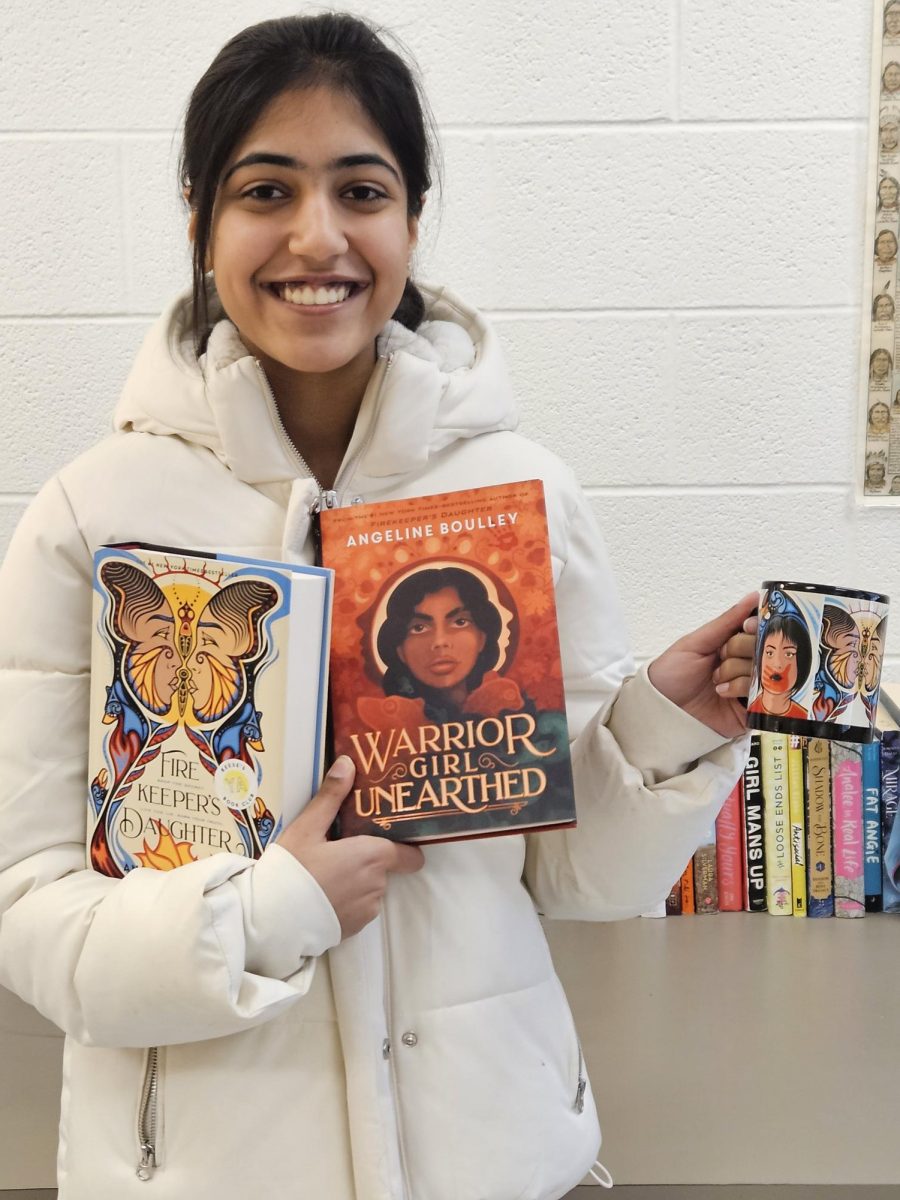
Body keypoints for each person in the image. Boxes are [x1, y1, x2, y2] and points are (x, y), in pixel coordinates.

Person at [0, 15, 755, 1200]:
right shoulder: (93, 521)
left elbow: (585, 883)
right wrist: (269, 911)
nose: (318, 238)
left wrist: (666, 729)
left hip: (489, 1160)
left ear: (412, 216)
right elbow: (33, 917)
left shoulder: (525, 497)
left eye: (362, 188)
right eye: (266, 190)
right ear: (200, 216)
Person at [376, 565, 505, 716]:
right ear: (400, 651)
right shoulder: (392, 723)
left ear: (482, 638)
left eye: (460, 622)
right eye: (419, 628)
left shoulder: (508, 710)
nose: (440, 642)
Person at [747, 612, 812, 720]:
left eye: (789, 654)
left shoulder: (804, 717)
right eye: (770, 653)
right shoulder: (752, 711)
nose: (777, 664)